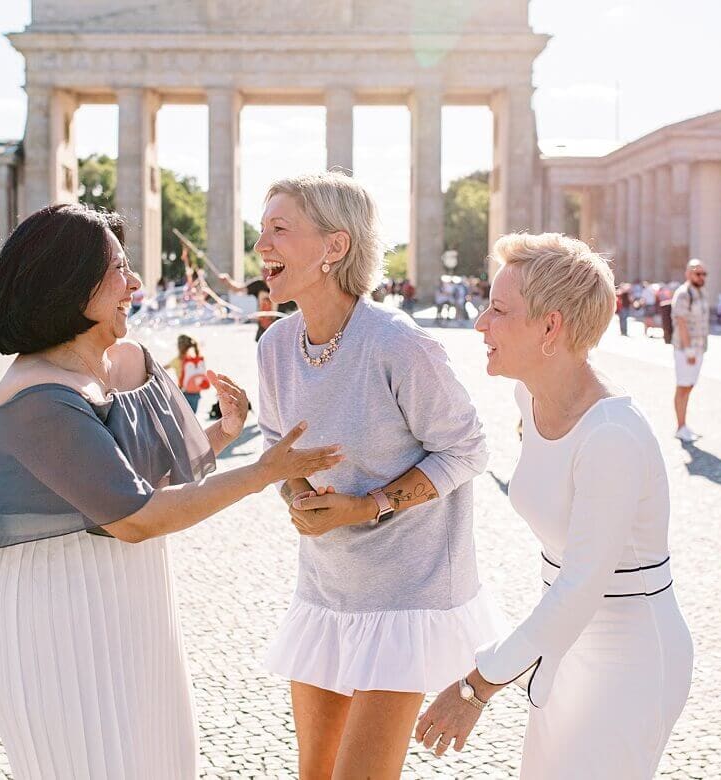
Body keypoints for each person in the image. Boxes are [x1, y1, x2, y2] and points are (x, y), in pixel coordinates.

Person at [0, 203, 342, 778]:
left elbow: (159, 474)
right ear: (68, 285)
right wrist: (262, 471)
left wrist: (223, 432)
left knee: (159, 759)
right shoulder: (35, 399)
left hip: (136, 599)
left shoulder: (130, 360)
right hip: (58, 613)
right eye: (119, 270)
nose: (136, 284)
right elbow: (135, 516)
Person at [416, 232, 693, 777]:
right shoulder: (530, 396)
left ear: (550, 327)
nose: (480, 324)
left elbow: (579, 586)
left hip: (631, 655)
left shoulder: (612, 435)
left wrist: (476, 687)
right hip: (567, 648)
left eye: (497, 310)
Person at [254, 172, 501, 778]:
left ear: (335, 247)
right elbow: (273, 447)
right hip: (326, 592)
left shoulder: (399, 344)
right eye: (261, 231)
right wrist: (296, 493)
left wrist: (366, 507)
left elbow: (467, 450)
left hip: (406, 600)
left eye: (279, 230)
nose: (261, 246)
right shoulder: (275, 345)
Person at [671, 259, 710, 441]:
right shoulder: (684, 294)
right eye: (697, 273)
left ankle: (684, 424)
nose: (701, 277)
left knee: (689, 386)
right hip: (686, 348)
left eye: (704, 274)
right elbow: (681, 321)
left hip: (699, 347)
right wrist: (688, 350)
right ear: (688, 274)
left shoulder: (700, 293)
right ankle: (680, 426)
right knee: (683, 386)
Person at [166, 333, 209, 412]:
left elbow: (163, 368)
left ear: (179, 347)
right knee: (192, 415)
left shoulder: (176, 361)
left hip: (184, 392)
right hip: (196, 391)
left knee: (182, 416)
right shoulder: (196, 359)